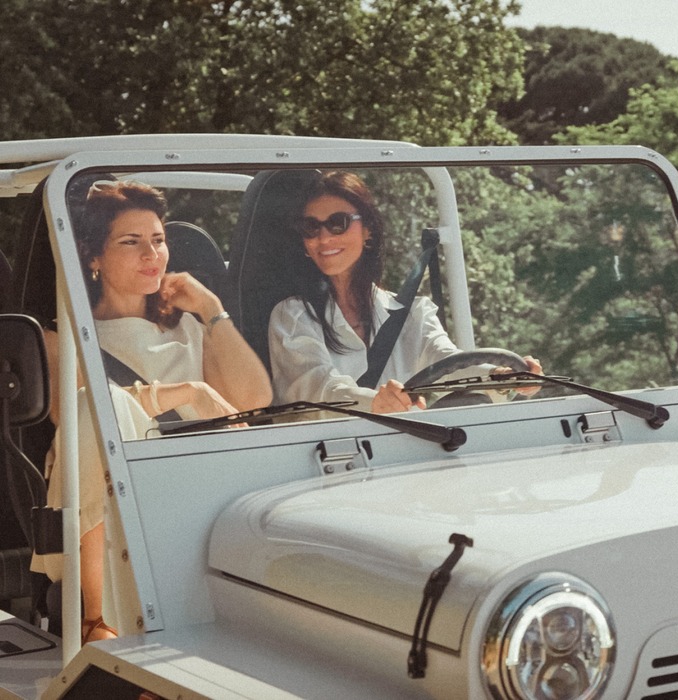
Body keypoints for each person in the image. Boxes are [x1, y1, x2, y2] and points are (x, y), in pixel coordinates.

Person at [33, 180, 272, 644]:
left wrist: (211, 309)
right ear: (93, 257)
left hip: (197, 498)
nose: (152, 254)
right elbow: (89, 415)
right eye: (131, 242)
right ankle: (93, 616)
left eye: (159, 240)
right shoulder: (61, 339)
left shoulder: (190, 330)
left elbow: (254, 400)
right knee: (91, 409)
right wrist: (187, 392)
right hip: (107, 512)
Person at [268, 171, 540, 413]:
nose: (324, 238)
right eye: (311, 227)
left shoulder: (412, 313)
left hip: (405, 445)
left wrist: (501, 375)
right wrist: (375, 402)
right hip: (329, 450)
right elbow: (316, 388)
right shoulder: (293, 316)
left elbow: (447, 362)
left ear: (368, 230)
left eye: (338, 223)